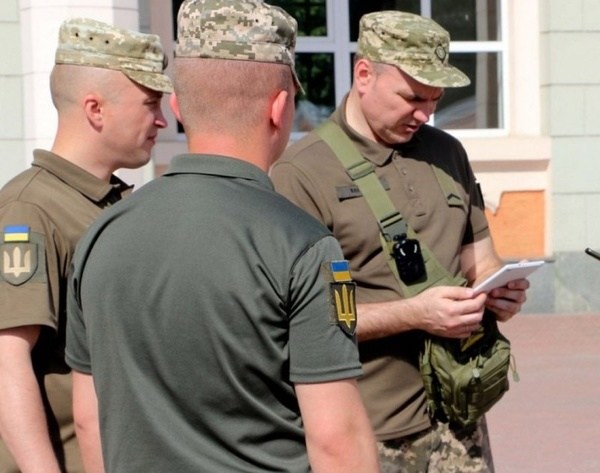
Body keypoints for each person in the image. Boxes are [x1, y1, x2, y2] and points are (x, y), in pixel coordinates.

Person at [63, 1, 379, 472]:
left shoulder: (101, 235)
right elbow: (337, 440)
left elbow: (90, 420)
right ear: (279, 107)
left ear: (177, 106)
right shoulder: (303, 245)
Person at [271, 10, 529, 472]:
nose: (425, 113)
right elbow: (302, 319)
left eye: (435, 99)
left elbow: (481, 259)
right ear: (364, 74)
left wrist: (499, 289)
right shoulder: (303, 172)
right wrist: (414, 314)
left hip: (458, 416)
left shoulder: (447, 152)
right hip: (368, 431)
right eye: (412, 97)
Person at [0, 18, 171, 473]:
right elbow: (6, 358)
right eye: (150, 103)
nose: (162, 120)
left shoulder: (112, 204)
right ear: (95, 109)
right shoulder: (30, 209)